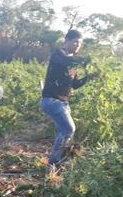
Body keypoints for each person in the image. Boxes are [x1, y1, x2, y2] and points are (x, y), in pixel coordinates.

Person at [40, 29, 95, 166]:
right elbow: (66, 62)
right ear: (67, 40)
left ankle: (57, 160)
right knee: (69, 129)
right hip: (52, 101)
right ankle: (54, 160)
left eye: (80, 43)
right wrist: (86, 60)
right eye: (75, 41)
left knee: (62, 131)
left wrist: (89, 77)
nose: (78, 45)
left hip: (63, 103)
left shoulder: (72, 63)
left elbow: (75, 84)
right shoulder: (58, 55)